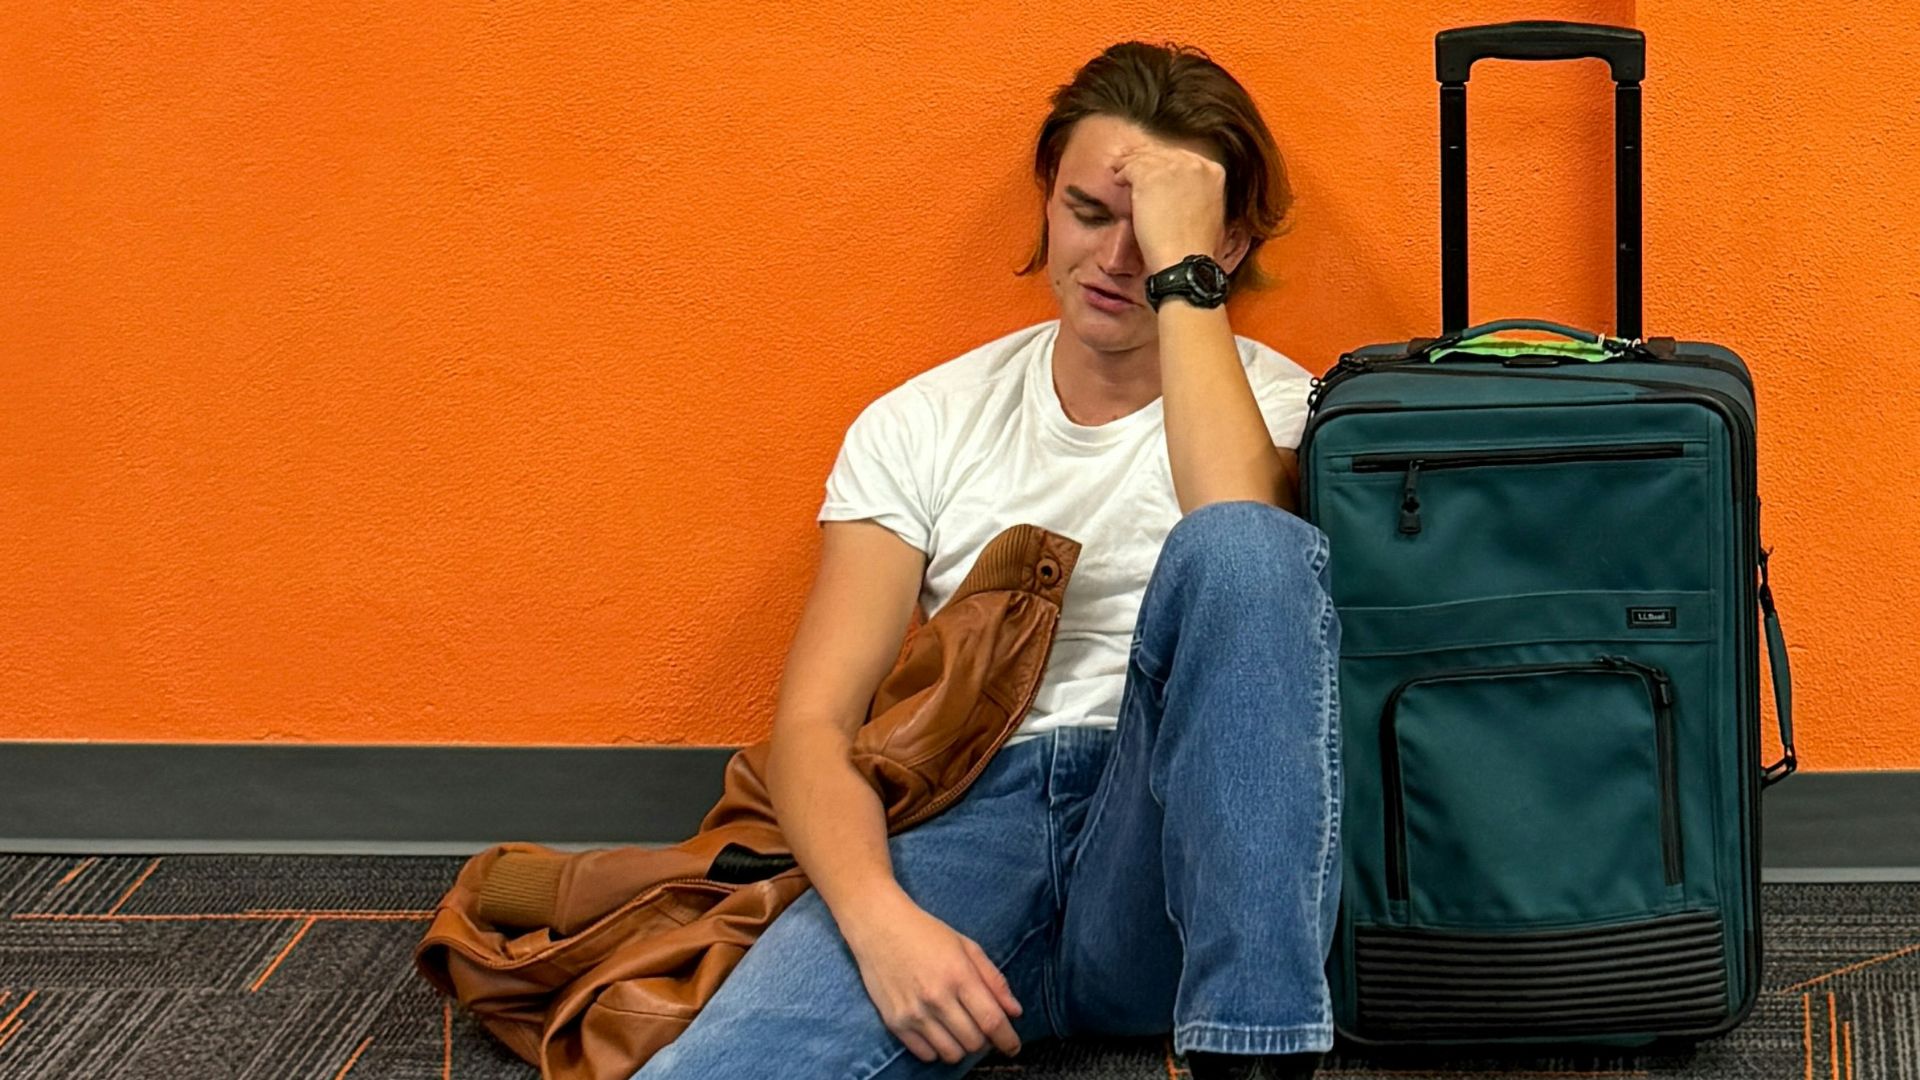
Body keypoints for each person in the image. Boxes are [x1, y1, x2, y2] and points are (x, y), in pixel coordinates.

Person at [635, 41, 1341, 1080]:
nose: (1113, 260)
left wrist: (1189, 285)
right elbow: (815, 723)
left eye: (1152, 231)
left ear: (1224, 244)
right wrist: (882, 926)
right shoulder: (923, 422)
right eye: (1089, 213)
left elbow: (1243, 548)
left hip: (1182, 842)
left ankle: (1254, 1052)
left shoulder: (1283, 407)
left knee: (1248, 546)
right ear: (1047, 204)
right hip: (973, 820)